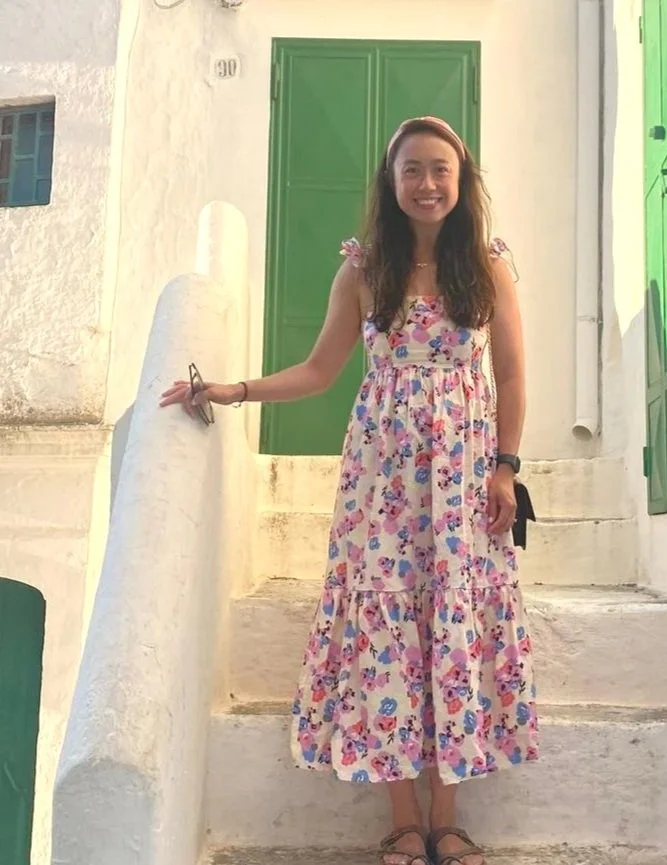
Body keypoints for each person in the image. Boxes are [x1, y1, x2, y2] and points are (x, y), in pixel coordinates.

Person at [161, 116, 538, 865]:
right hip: (382, 486)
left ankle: (449, 817)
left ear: (460, 184)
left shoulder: (488, 267)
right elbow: (319, 370)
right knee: (387, 631)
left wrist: (505, 467)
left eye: (440, 170)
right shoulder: (363, 269)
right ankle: (402, 819)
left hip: (463, 476)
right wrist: (231, 389)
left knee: (453, 625)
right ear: (389, 182)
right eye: (411, 171)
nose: (426, 184)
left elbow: (513, 375)